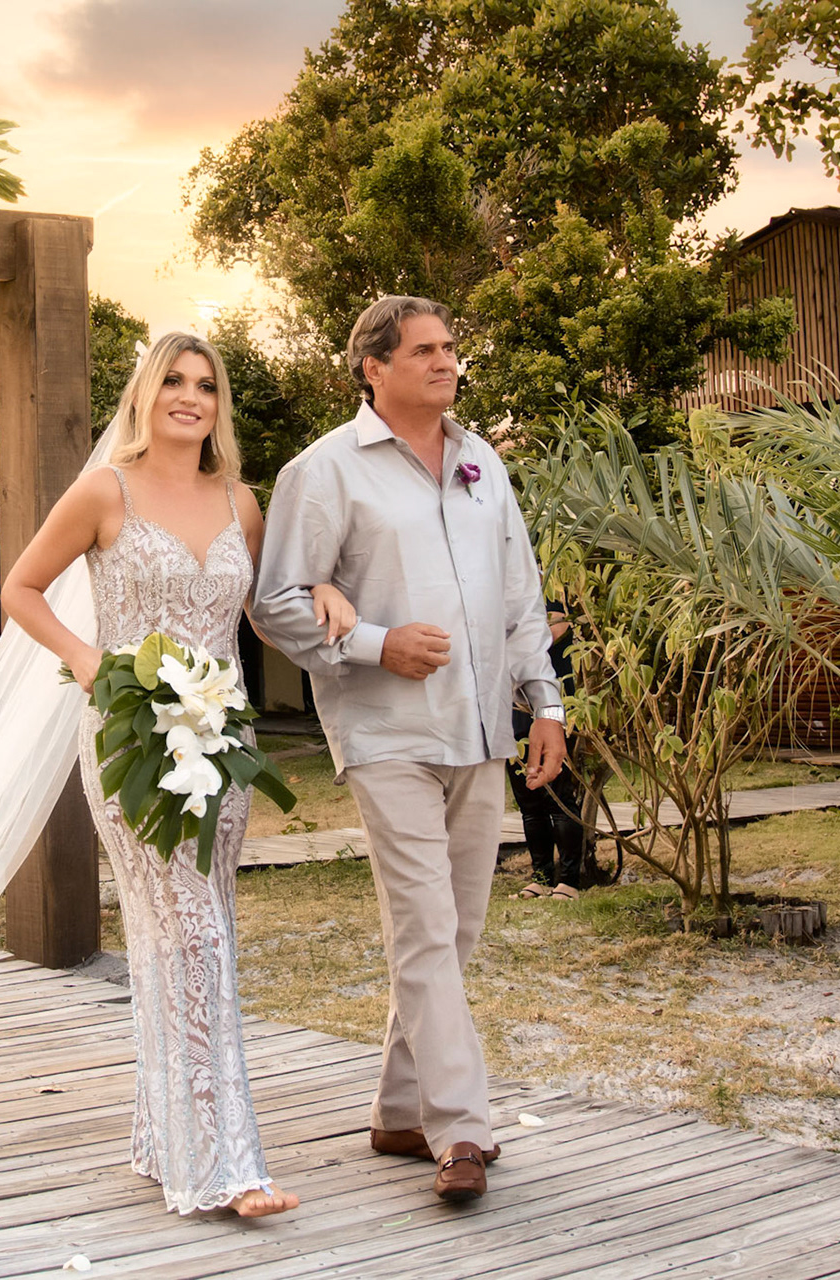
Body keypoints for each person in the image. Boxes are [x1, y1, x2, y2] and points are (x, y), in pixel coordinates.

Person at [1, 332, 356, 1219]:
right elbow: (22, 588)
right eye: (173, 381)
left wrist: (324, 595)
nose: (189, 396)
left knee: (195, 934)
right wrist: (87, 659)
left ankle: (166, 1137)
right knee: (191, 935)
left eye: (205, 384)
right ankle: (226, 1165)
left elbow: (266, 616)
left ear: (217, 403)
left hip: (221, 742)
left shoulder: (239, 501)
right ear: (146, 393)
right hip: (132, 741)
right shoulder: (103, 490)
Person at [251, 295, 564, 1203]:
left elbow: (519, 597)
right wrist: (373, 644)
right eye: (425, 350)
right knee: (425, 925)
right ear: (372, 368)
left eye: (451, 348)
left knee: (456, 930)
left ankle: (395, 1107)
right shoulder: (324, 471)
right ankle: (461, 1130)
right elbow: (275, 603)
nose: (446, 362)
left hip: (479, 730)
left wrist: (543, 703)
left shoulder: (482, 463)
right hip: (384, 732)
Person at [510, 603, 586, 900]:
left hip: (552, 698)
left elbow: (558, 626)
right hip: (515, 698)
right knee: (527, 797)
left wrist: (512, 642)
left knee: (559, 794)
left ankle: (569, 880)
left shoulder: (554, 583)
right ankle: (540, 876)